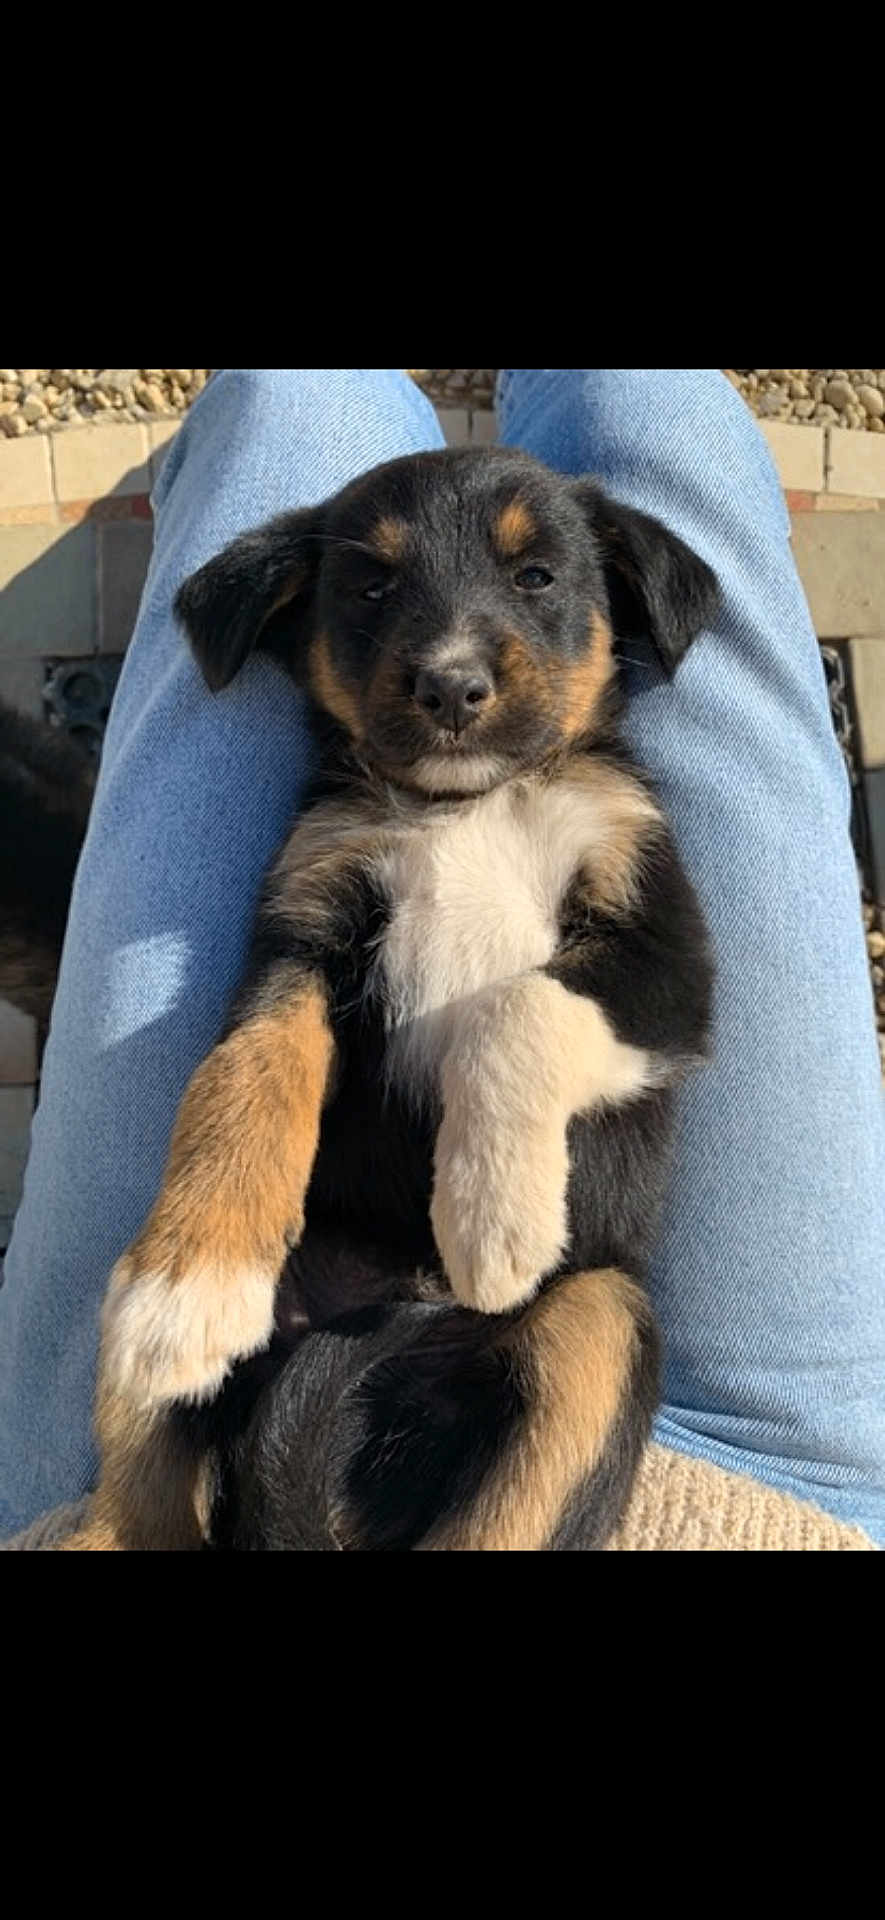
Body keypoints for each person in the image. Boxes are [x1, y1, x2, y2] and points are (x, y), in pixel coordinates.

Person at [1, 369, 882, 1551]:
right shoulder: (354, 817)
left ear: (625, 608)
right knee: (653, 406)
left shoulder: (601, 807)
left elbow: (656, 988)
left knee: (287, 396)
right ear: (297, 630)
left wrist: (518, 1062)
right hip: (717, 1461)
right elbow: (291, 1001)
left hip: (483, 1348)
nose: (452, 660)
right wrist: (227, 1206)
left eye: (533, 580)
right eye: (370, 591)